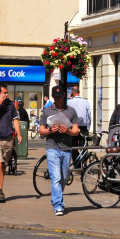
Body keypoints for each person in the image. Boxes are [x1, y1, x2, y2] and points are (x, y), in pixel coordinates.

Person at [40, 85, 79, 216]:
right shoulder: (47, 111)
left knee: (64, 177)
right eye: (55, 97)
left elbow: (76, 131)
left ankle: (55, 198)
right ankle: (58, 205)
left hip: (66, 148)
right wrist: (50, 130)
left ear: (64, 96)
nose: (58, 99)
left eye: (60, 96)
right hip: (52, 147)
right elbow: (41, 130)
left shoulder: (71, 111)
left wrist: (67, 130)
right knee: (55, 177)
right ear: (53, 97)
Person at [0, 82, 22, 204]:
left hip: (8, 138)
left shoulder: (11, 105)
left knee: (3, 166)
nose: (6, 95)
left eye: (7, 92)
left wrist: (19, 133)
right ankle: (0, 191)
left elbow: (15, 120)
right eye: (4, 93)